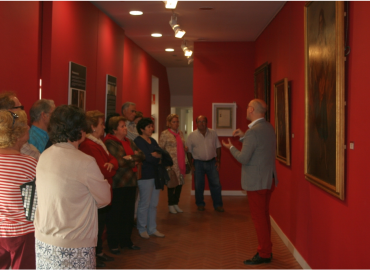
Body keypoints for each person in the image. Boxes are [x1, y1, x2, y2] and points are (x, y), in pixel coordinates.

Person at [34, 105, 111, 269]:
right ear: (79, 129)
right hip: (74, 243)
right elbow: (105, 198)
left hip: (44, 239)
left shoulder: (44, 155)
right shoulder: (85, 161)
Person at [222, 99, 278, 265]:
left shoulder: (253, 131)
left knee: (258, 218)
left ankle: (264, 253)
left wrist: (230, 147)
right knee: (264, 216)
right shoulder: (267, 127)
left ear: (252, 109)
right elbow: (258, 146)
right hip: (268, 179)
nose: (246, 110)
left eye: (247, 107)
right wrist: (244, 137)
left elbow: (244, 158)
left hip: (257, 181)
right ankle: (267, 249)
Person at [79, 110, 118, 267]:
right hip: (96, 192)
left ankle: (99, 252)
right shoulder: (89, 145)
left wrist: (112, 164)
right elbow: (103, 169)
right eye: (102, 124)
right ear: (93, 127)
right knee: (97, 225)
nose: (104, 127)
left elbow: (112, 160)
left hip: (104, 188)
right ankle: (95, 254)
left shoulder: (99, 142)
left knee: (101, 224)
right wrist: (112, 166)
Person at [0, 110, 38, 269]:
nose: (29, 128)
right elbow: (35, 202)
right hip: (23, 231)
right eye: (25, 126)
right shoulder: (29, 163)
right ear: (16, 135)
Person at [103, 116, 145, 254]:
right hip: (118, 184)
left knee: (128, 214)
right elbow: (118, 161)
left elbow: (142, 155)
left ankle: (126, 241)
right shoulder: (110, 142)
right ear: (114, 129)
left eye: (125, 126)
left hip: (131, 182)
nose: (125, 128)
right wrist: (133, 159)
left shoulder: (129, 141)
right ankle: (114, 244)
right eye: (122, 126)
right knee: (116, 215)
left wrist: (131, 158)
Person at [134, 117, 165, 239]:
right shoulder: (138, 141)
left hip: (155, 175)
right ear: (142, 129)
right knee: (144, 203)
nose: (151, 129)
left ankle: (152, 228)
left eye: (151, 126)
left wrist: (156, 156)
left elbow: (161, 154)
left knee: (153, 204)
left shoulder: (152, 140)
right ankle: (142, 228)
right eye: (148, 127)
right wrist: (154, 156)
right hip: (145, 176)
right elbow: (146, 158)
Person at [186, 115, 224, 212]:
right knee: (199, 185)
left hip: (212, 162)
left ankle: (218, 205)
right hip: (198, 163)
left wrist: (218, 160)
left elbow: (218, 147)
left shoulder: (213, 133)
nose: (201, 123)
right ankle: (200, 204)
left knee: (216, 185)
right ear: (196, 123)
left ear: (207, 123)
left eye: (203, 121)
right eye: (199, 121)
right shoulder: (191, 135)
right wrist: (191, 164)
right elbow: (189, 151)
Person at [159, 113, 186, 214]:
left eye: (177, 122)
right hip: (171, 164)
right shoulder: (165, 133)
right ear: (169, 123)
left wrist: (185, 148)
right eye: (173, 122)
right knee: (172, 184)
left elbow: (182, 145)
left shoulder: (181, 133)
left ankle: (176, 203)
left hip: (181, 163)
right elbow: (161, 148)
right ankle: (170, 204)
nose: (176, 124)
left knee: (180, 184)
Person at [0, 91, 40, 160]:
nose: (23, 111)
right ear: (11, 112)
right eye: (20, 107)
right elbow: (37, 159)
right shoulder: (16, 136)